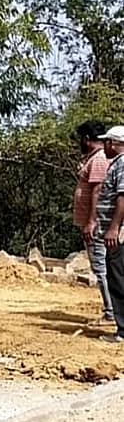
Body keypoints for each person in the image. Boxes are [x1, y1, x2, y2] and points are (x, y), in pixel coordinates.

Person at [72, 121, 114, 326]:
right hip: (96, 224)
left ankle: (111, 313)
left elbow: (97, 191)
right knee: (102, 267)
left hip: (96, 226)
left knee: (101, 268)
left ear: (87, 139)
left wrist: (92, 221)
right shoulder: (94, 159)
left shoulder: (98, 160)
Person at [95, 125, 124, 342]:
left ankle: (122, 331)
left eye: (106, 142)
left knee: (118, 279)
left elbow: (122, 197)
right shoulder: (117, 165)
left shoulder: (122, 165)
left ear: (114, 144)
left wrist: (114, 228)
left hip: (119, 234)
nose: (103, 146)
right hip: (115, 231)